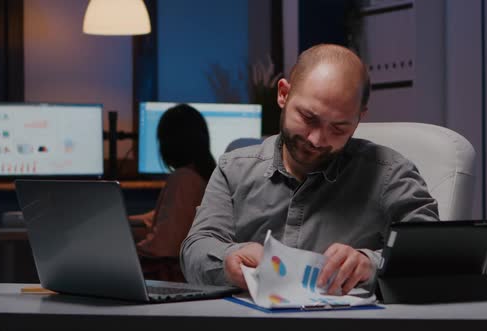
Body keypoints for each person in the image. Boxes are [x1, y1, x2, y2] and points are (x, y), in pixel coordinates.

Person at [180, 44, 439, 294]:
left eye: (338, 128)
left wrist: (369, 264)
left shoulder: (389, 174)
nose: (317, 140)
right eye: (308, 118)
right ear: (283, 94)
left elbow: (434, 254)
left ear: (360, 118)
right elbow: (195, 249)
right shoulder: (232, 170)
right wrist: (228, 259)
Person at [130, 103, 216, 282]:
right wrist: (128, 222)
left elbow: (162, 247)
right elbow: (173, 216)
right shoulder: (204, 174)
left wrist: (123, 249)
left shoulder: (184, 179)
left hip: (175, 278)